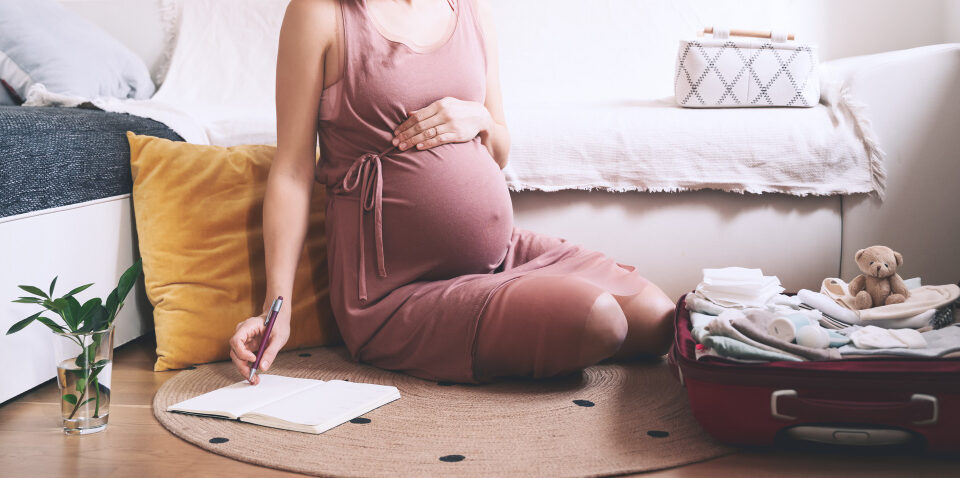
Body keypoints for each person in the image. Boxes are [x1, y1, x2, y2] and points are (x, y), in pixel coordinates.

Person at [229, 0, 676, 385]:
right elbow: (292, 170)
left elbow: (499, 147)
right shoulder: (321, 15)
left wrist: (478, 118)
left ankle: (523, 318)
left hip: (502, 255)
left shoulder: (471, 10)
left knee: (657, 319)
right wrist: (277, 305)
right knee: (600, 321)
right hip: (395, 293)